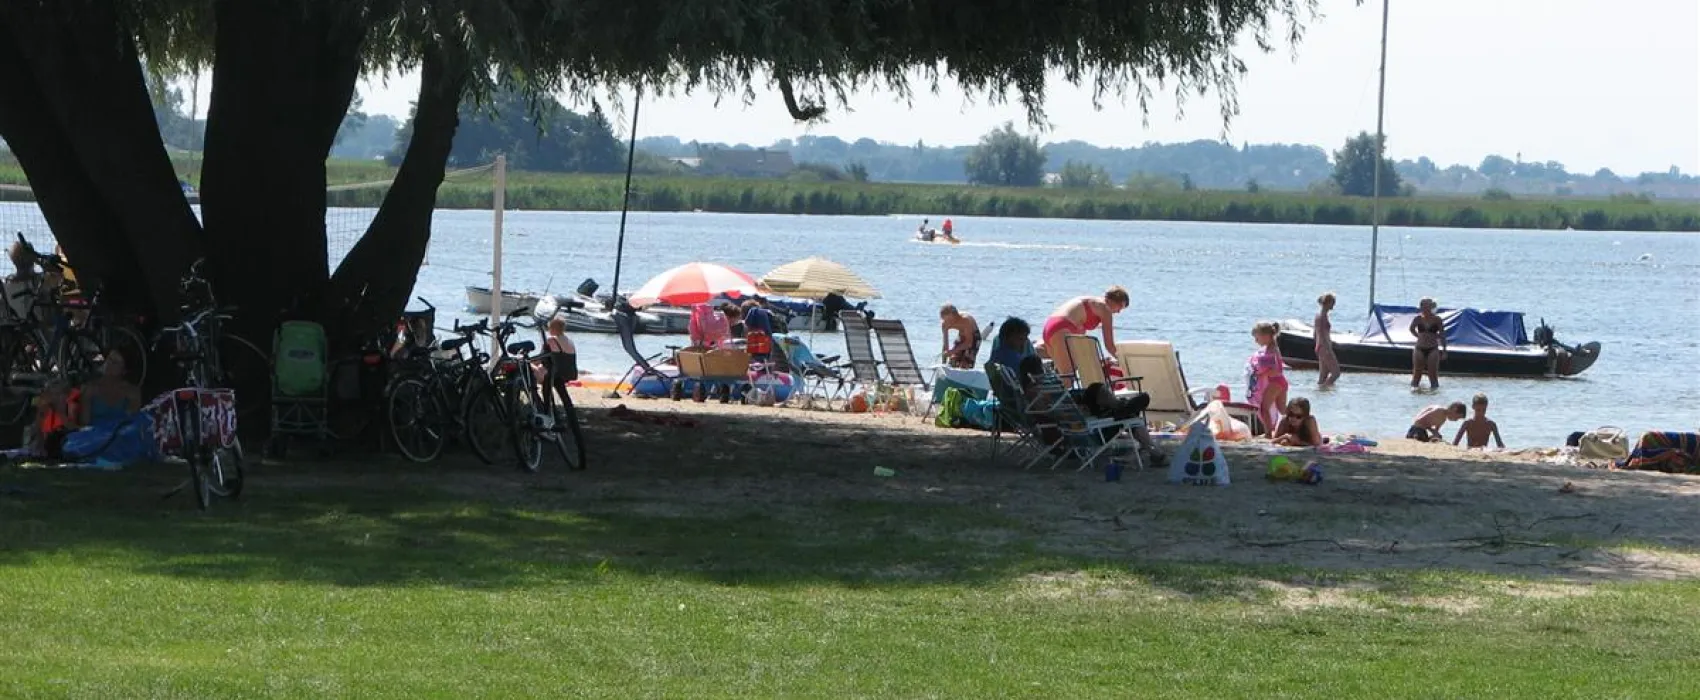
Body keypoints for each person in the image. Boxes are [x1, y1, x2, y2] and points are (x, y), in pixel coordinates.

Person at [1042, 286, 1129, 382]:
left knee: (1064, 374)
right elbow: (1109, 345)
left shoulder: (1091, 302)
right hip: (1062, 328)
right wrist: (1124, 361)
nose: (1118, 312)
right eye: (1120, 306)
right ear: (1113, 300)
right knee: (1068, 379)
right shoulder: (1105, 308)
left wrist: (1098, 361)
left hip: (1050, 326)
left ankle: (1044, 395)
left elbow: (1079, 343)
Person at [1247, 321, 1288, 438]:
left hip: (1275, 382)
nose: (1256, 341)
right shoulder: (1273, 347)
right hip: (1281, 382)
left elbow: (1276, 369)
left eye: (1257, 338)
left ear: (1265, 336)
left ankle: (1268, 434)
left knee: (1264, 409)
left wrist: (1259, 373)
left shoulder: (1271, 350)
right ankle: (1299, 426)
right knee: (1283, 410)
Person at [541, 317, 579, 416]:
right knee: (562, 392)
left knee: (546, 388)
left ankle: (546, 411)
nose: (548, 330)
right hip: (569, 372)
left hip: (556, 373)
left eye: (549, 328)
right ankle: (570, 413)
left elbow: (541, 357)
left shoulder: (551, 340)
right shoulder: (569, 340)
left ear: (553, 328)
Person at [1409, 296, 1447, 390]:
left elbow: (1442, 335)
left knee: (1433, 374)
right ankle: (1414, 393)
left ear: (1431, 307)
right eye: (1424, 306)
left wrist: (1444, 350)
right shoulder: (1418, 319)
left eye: (1428, 306)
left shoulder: (1437, 319)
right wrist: (1419, 336)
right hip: (1420, 348)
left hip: (1432, 348)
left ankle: (1434, 393)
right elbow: (1411, 329)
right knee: (1417, 374)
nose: (1426, 308)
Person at [939, 304, 981, 369]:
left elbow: (969, 343)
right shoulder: (945, 324)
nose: (946, 322)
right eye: (944, 319)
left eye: (948, 320)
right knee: (953, 360)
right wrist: (943, 363)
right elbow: (945, 346)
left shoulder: (965, 320)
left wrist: (953, 350)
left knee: (965, 363)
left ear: (954, 316)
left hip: (974, 337)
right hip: (961, 335)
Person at [1315, 292, 1341, 387]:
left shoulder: (1318, 316)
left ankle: (1320, 393)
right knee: (1336, 373)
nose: (1333, 305)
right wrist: (1328, 349)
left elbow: (1315, 334)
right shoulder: (1322, 317)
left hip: (1320, 347)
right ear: (1328, 302)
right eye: (1333, 303)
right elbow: (1322, 334)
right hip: (1324, 347)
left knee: (1323, 375)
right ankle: (1325, 388)